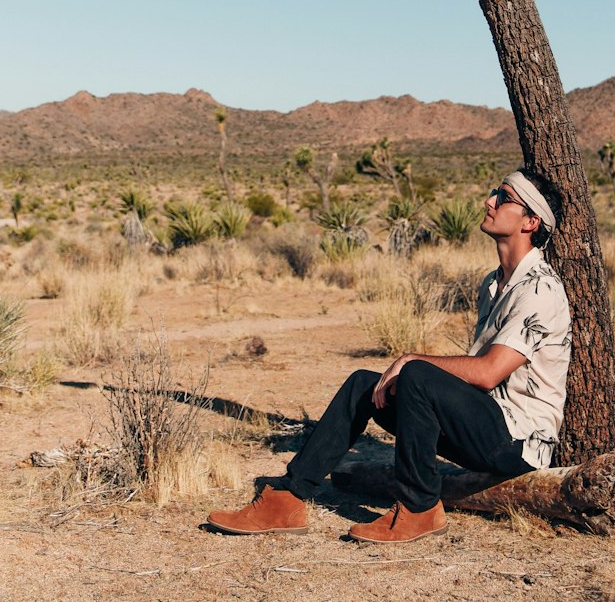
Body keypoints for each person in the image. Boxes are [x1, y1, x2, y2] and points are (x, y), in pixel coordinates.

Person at [206, 169, 570, 545]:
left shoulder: (540, 288)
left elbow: (489, 373)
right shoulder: (494, 283)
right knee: (365, 384)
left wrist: (412, 362)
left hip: (519, 441)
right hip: (483, 424)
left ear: (531, 221)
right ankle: (287, 498)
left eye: (504, 197)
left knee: (416, 373)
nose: (489, 201)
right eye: (495, 192)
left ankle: (419, 508)